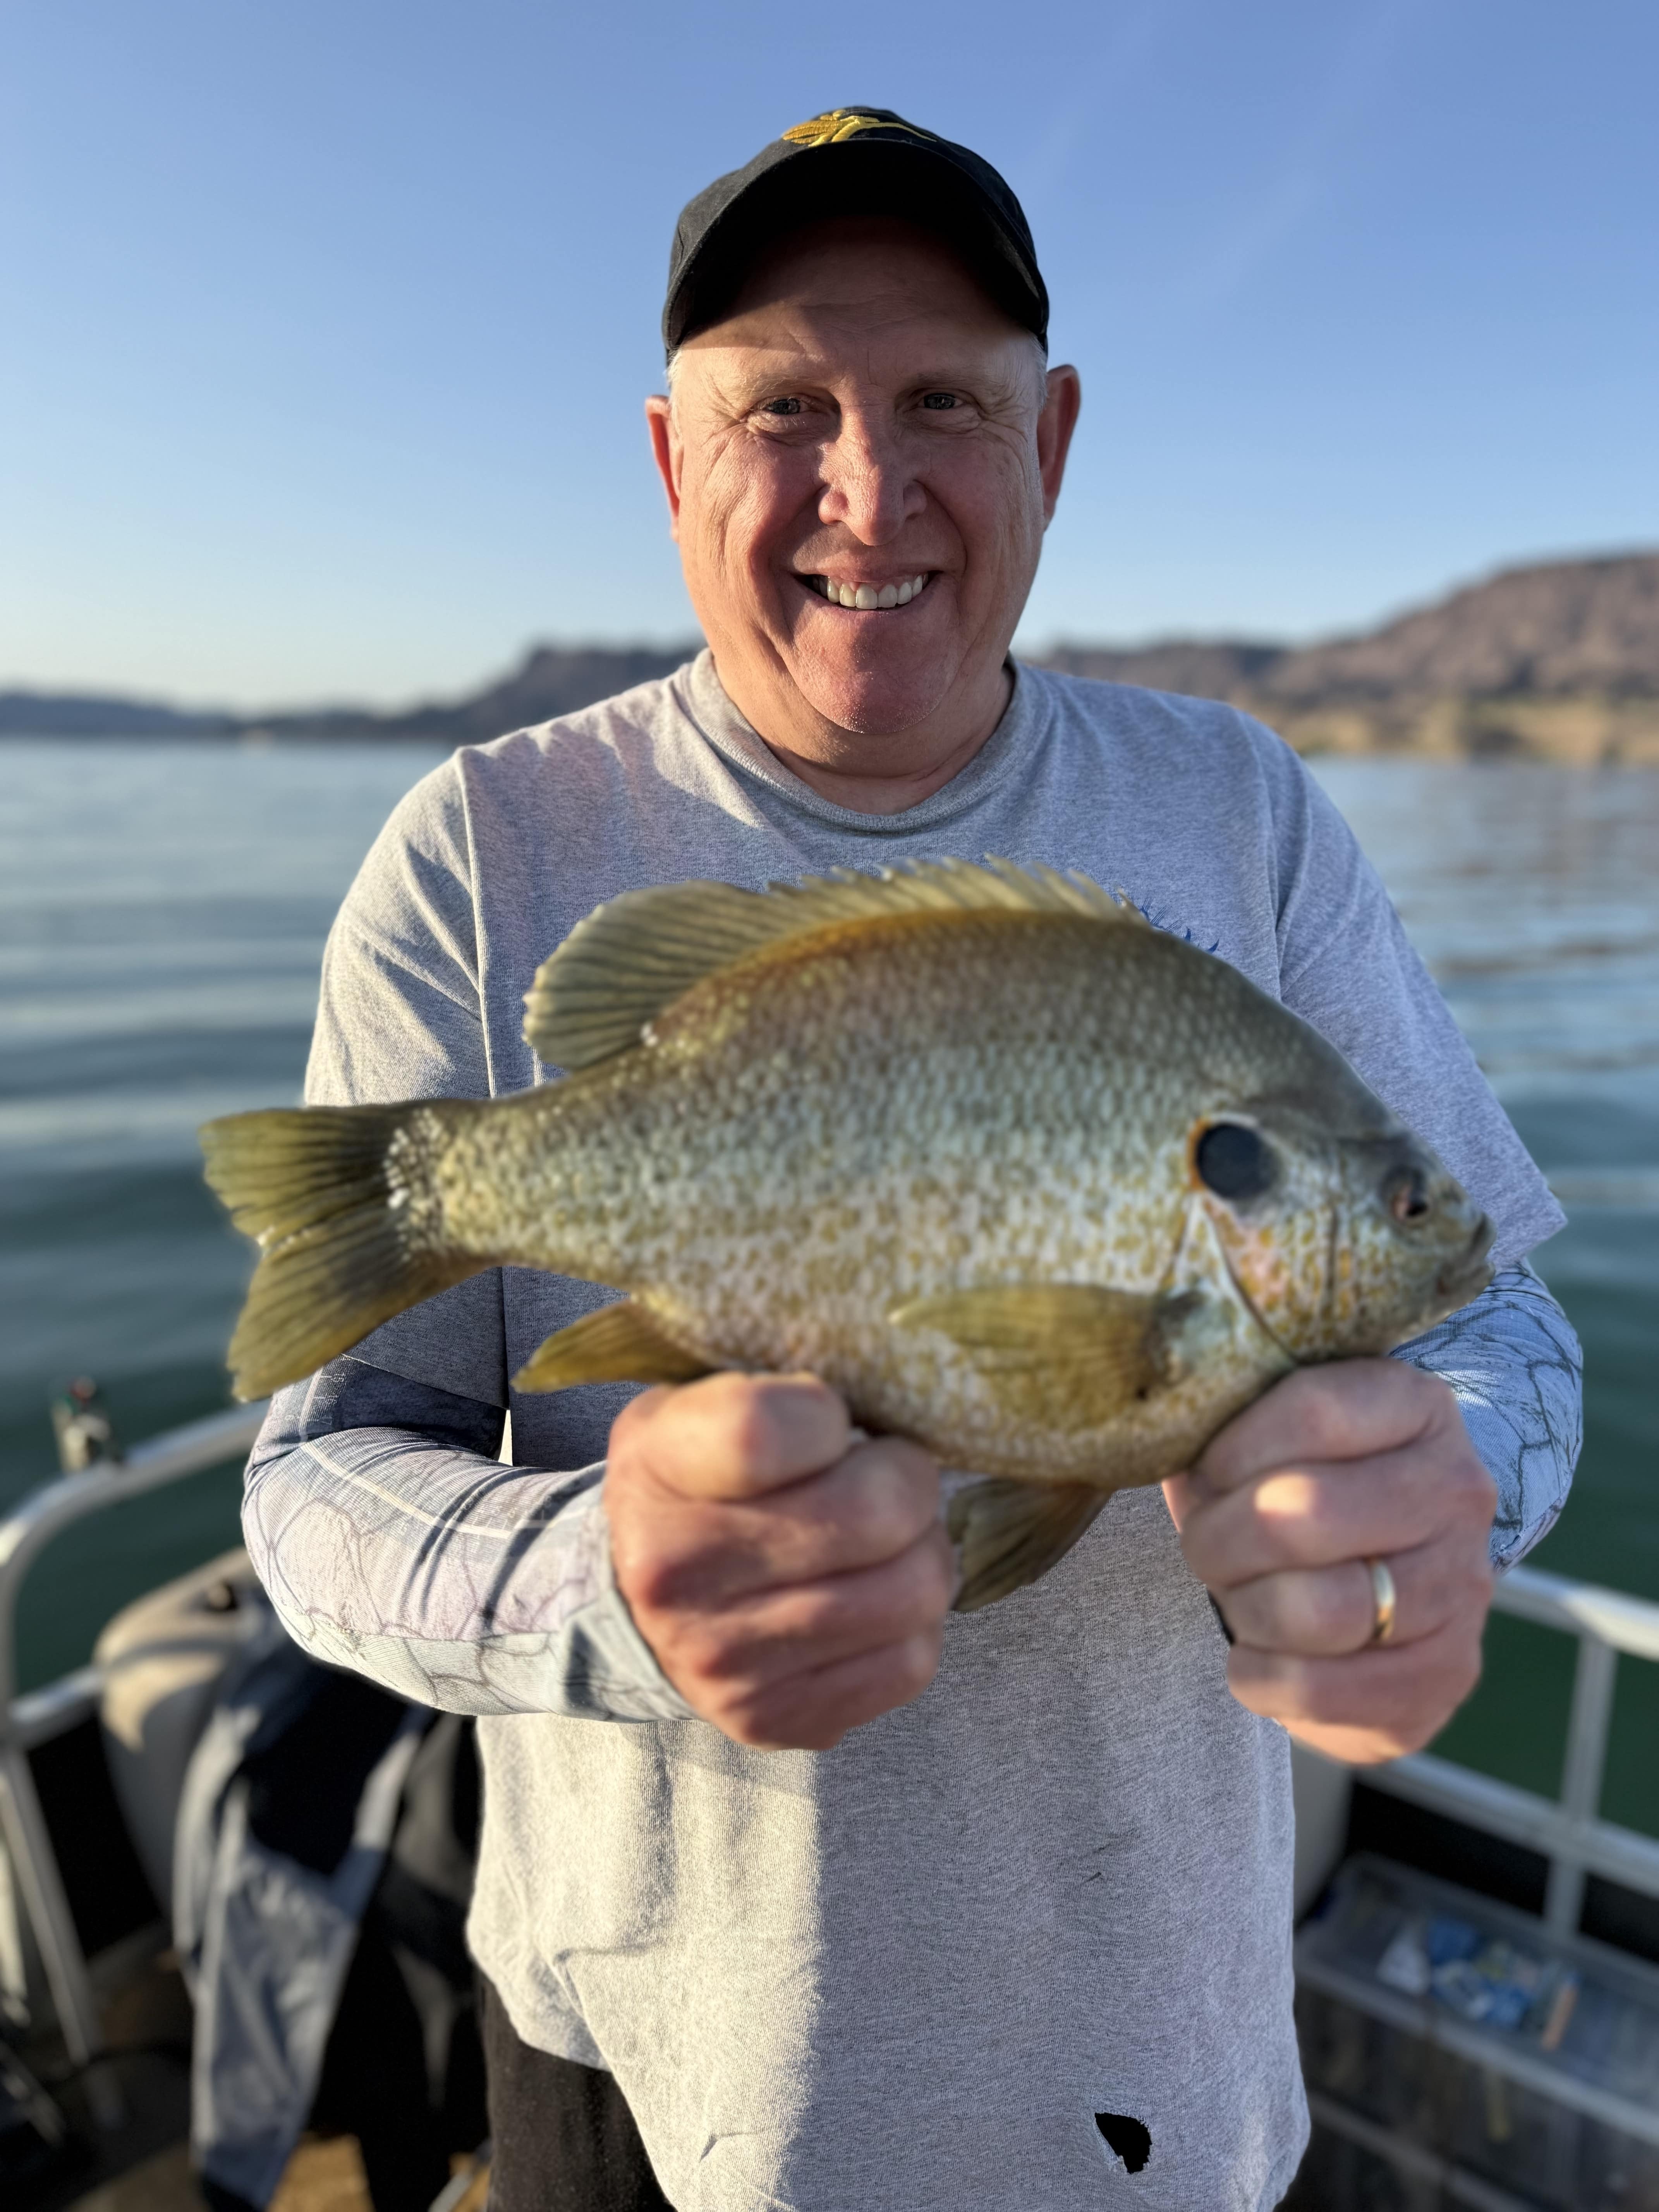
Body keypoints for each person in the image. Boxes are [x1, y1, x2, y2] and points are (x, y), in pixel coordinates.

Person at [242, 109, 1582, 2211]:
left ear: (1050, 438)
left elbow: (1498, 1314)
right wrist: (604, 1585)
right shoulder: (482, 852)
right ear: (673, 458)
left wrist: (1455, 1496)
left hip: (1167, 2063)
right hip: (657, 2078)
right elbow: (315, 1479)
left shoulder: (1245, 816)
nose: (872, 490)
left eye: (945, 399)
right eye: (786, 406)